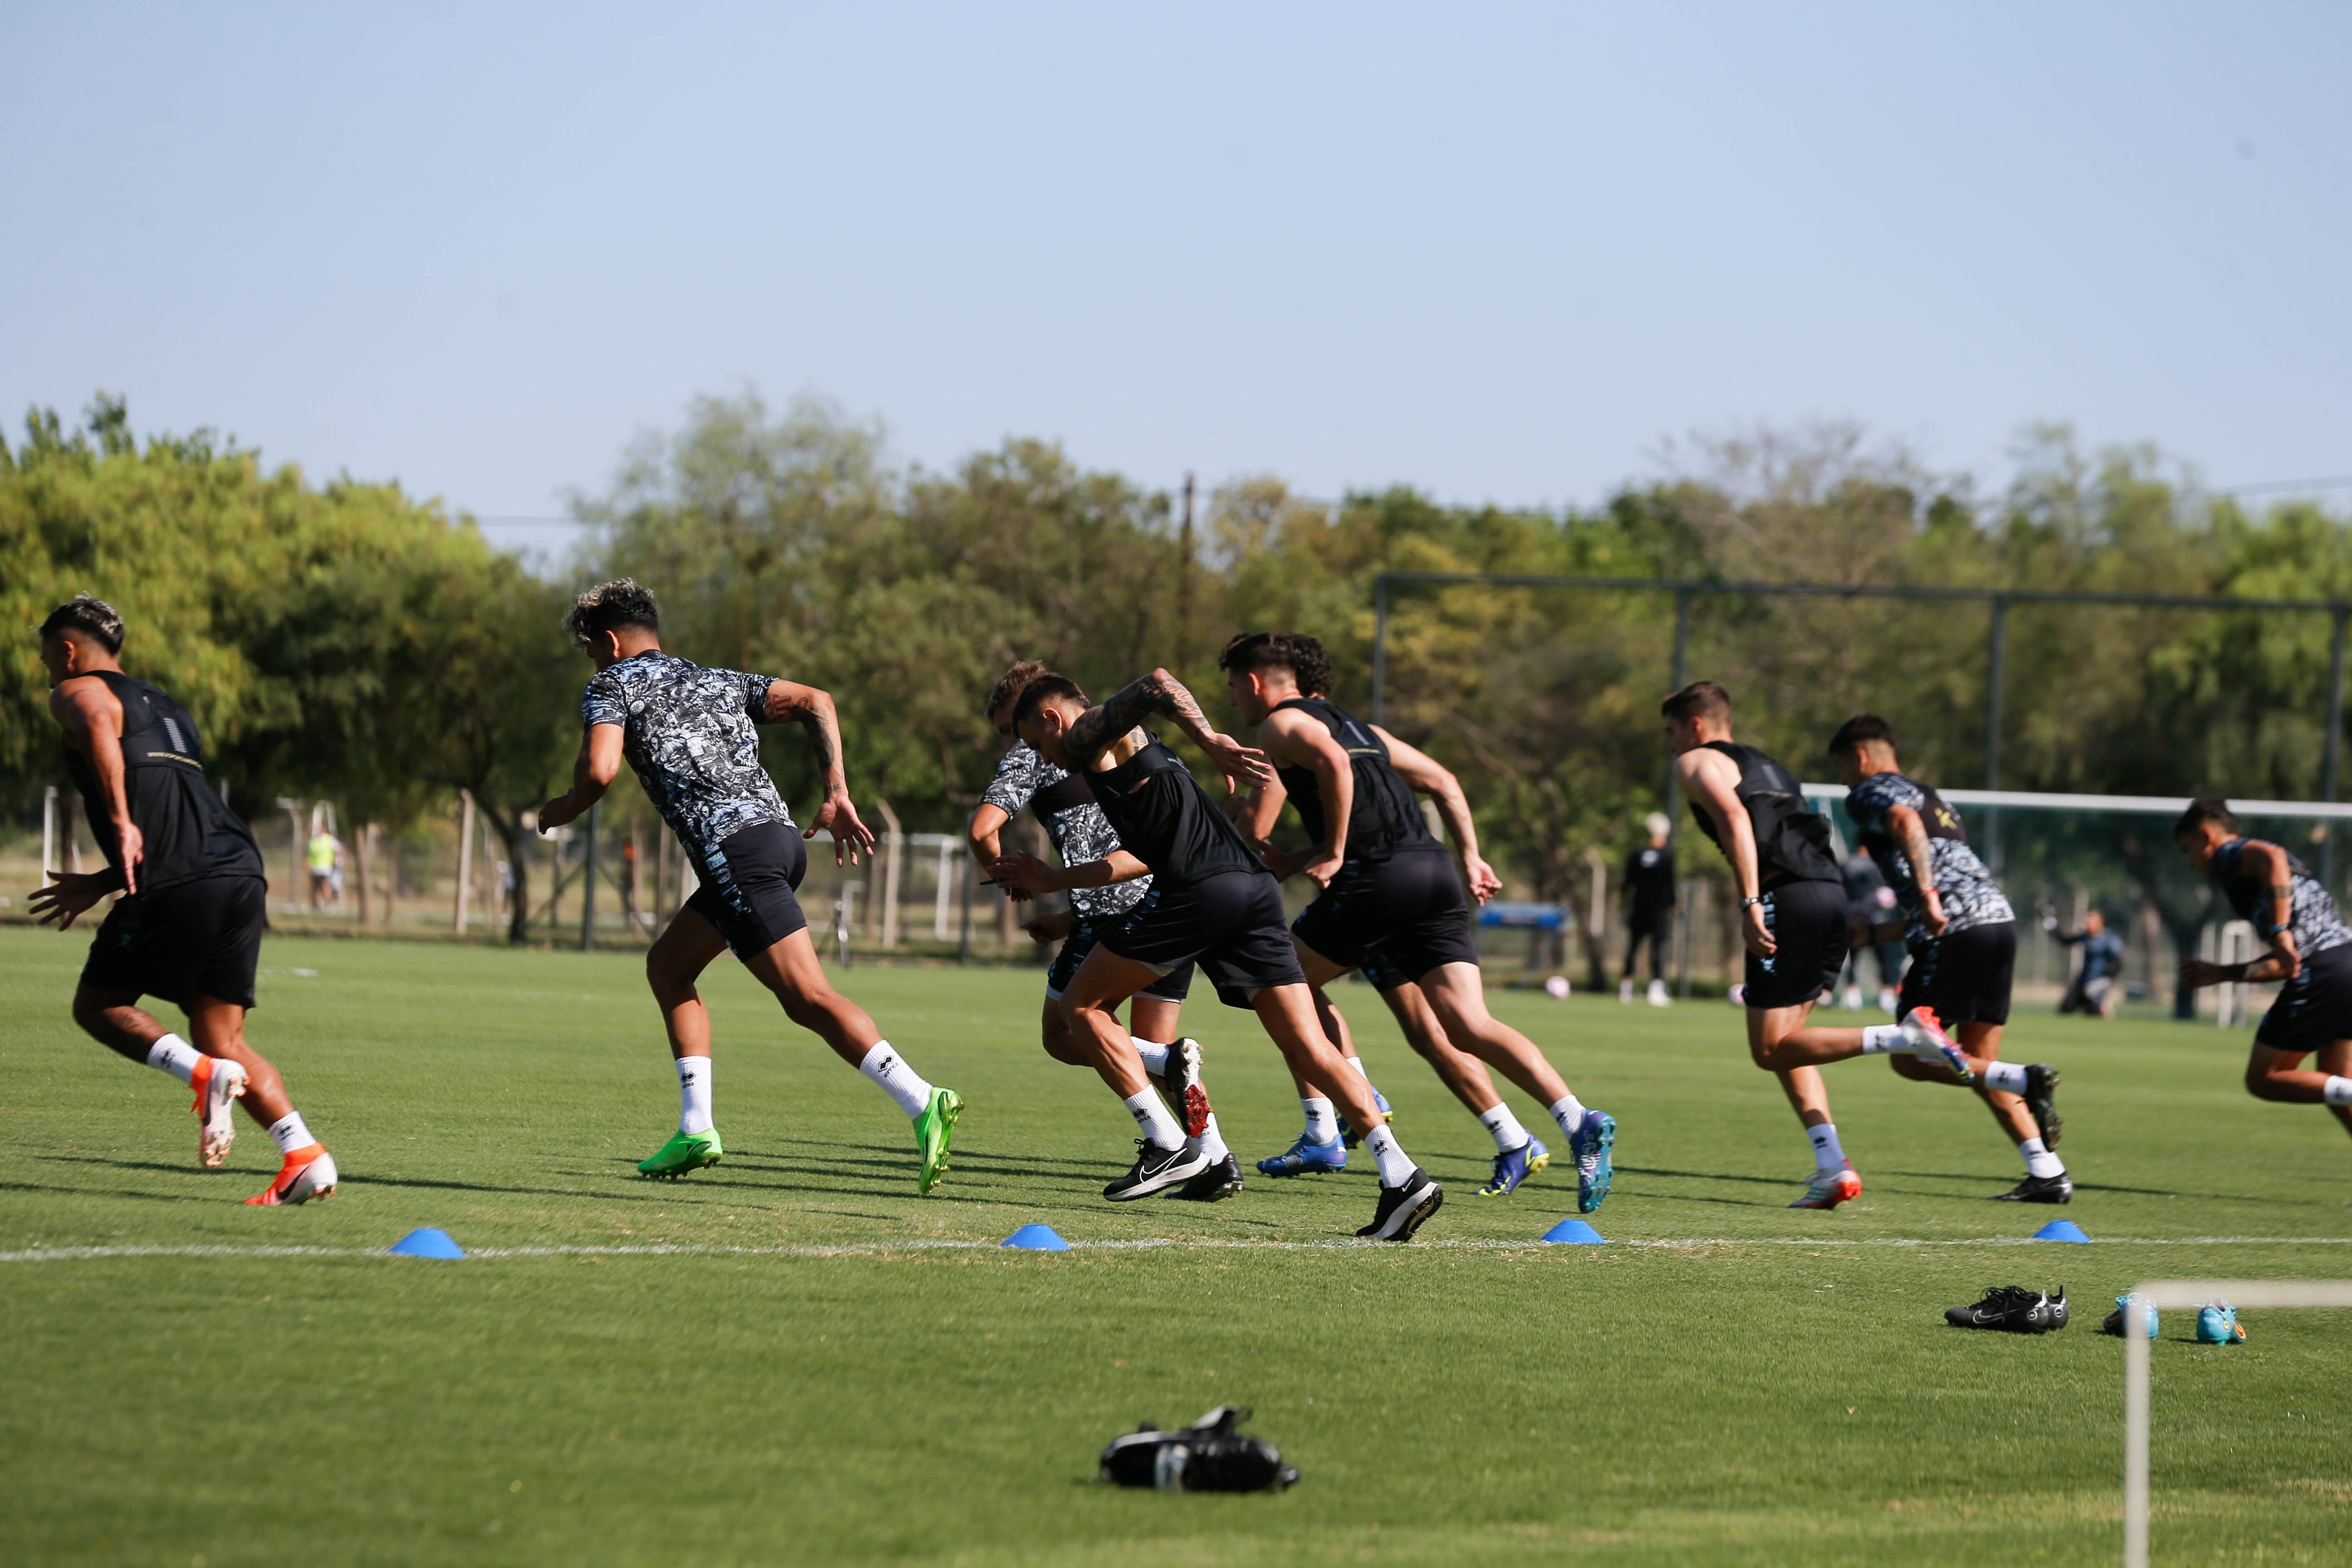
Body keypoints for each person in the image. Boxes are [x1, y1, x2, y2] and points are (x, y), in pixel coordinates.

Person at [537, 579, 962, 1190]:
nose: (594, 663)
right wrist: (837, 792)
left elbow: (600, 771)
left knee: (807, 998)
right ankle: (695, 1127)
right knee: (668, 967)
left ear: (608, 642)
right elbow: (818, 700)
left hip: (736, 856)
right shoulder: (714, 679)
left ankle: (924, 1100)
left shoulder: (612, 683)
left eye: (591, 651)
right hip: (779, 842)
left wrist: (562, 808)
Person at [999, 666, 1445, 1240]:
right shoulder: (1130, 752)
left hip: (1197, 890)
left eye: (1039, 743)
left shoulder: (1085, 733)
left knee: (1078, 1008)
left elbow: (1155, 683)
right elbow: (1140, 852)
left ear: (1051, 718)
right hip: (1251, 888)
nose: (1047, 758)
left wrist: (1210, 741)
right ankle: (1402, 1175)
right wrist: (1056, 882)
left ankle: (1167, 1142)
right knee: (1309, 1047)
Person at [1218, 633, 1616, 1210]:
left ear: (1255, 683)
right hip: (1434, 872)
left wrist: (1330, 847)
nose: (1233, 701)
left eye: (1233, 688)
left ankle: (1352, 1095)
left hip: (1378, 879)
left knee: (1272, 978)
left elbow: (1330, 764)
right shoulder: (1365, 731)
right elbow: (1445, 783)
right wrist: (1473, 856)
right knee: (1466, 1024)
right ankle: (1578, 1119)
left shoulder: (1278, 726)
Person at [28, 595, 339, 1205]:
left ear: (67, 651)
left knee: (99, 1006)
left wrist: (119, 821)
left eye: (46, 658)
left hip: (183, 880)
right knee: (224, 1037)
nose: (47, 671)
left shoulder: (75, 690)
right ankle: (304, 1153)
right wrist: (100, 882)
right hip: (239, 868)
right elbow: (175, 818)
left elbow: (94, 724)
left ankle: (200, 1074)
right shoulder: (168, 708)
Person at [1663, 683, 1986, 1210]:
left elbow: (1736, 821)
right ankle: (1832, 1163)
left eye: (1673, 731)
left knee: (1769, 1049)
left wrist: (1749, 901)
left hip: (1783, 896)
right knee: (1792, 1044)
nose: (1672, 744)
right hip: (1828, 894)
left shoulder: (1696, 762)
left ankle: (1903, 1035)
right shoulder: (1769, 765)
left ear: (1695, 726)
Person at [971, 660, 1239, 1201]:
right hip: (1168, 896)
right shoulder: (1130, 737)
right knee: (1147, 1042)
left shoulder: (1032, 752)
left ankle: (1169, 1132)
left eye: (1012, 728)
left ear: (1038, 713)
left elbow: (982, 831)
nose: (1016, 743)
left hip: (1109, 911)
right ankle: (1216, 1159)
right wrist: (1065, 914)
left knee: (1067, 1031)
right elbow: (1139, 840)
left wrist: (1010, 878)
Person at [1824, 716, 2068, 1202]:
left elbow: (1904, 828)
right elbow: (1940, 892)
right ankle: (2048, 1172)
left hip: (1955, 930)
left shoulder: (1870, 792)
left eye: (1843, 769)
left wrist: (1928, 893)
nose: (1844, 781)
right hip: (1997, 923)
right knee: (1976, 1061)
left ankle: (2024, 1079)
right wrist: (1875, 932)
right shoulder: (1935, 797)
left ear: (1860, 758)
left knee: (1910, 1056)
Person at [2173, 798, 2352, 1145]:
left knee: (2264, 1079)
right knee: (2336, 1088)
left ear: (2206, 836)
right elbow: (2287, 964)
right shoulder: (2252, 884)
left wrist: (2281, 928)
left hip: (2325, 971)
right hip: (2345, 962)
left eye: (2187, 849)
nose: (2191, 863)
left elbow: (2272, 856)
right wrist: (2222, 973)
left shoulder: (2229, 854)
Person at [1619, 812, 1676, 1006]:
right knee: (1657, 948)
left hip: (1638, 906)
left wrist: (1623, 901)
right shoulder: (1667, 855)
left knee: (1633, 947)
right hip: (1658, 910)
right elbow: (1670, 884)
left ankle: (1625, 990)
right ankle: (1656, 990)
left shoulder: (1637, 853)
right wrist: (1675, 904)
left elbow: (1627, 882)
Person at [1838, 852, 1904, 1013]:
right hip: (1863, 919)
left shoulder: (1848, 865)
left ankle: (1875, 996)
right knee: (1863, 958)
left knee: (1879, 959)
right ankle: (1859, 995)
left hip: (1866, 919)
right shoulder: (1877, 864)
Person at [2052, 908, 2123, 1017]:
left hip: (2097, 982)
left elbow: (2118, 962)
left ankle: (2104, 1006)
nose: (2087, 924)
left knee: (2092, 1014)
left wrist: (2106, 979)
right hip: (2083, 981)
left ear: (2100, 922)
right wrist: (2051, 923)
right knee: (2065, 1009)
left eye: (2091, 921)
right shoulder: (2086, 936)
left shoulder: (2109, 939)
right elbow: (2065, 941)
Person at [305, 824, 342, 911]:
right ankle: (316, 905)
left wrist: (334, 861)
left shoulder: (330, 840)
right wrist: (306, 864)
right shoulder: (312, 841)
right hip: (314, 868)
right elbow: (307, 854)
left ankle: (327, 904)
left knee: (325, 885)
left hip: (326, 868)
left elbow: (338, 851)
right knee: (315, 886)